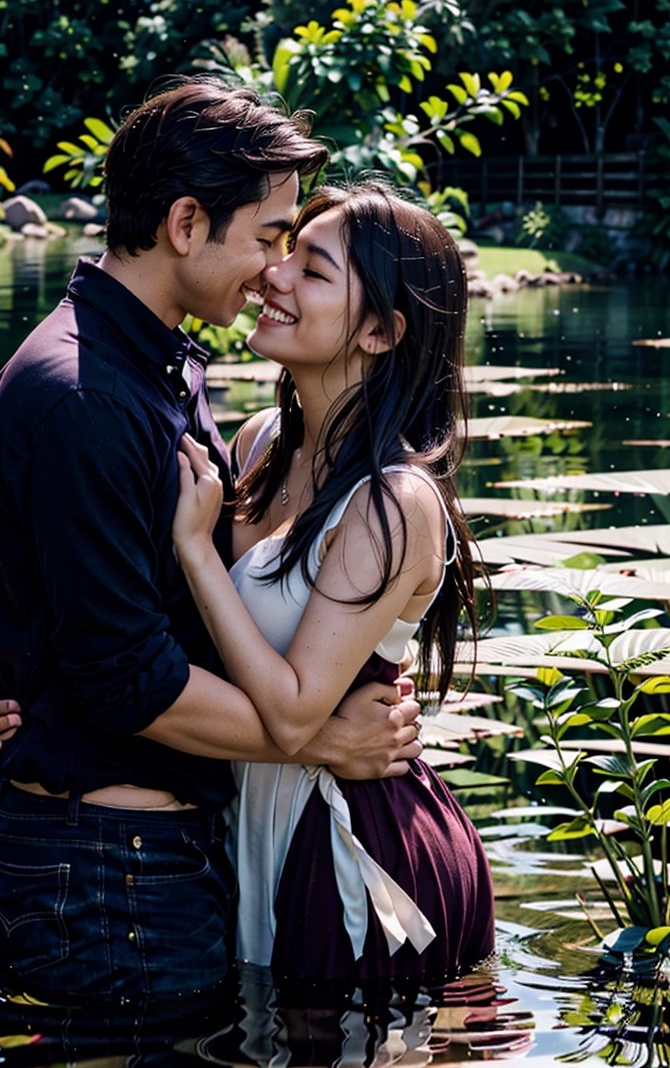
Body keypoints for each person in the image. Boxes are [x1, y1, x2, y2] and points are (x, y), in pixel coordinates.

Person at [0, 79, 425, 1005]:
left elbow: (113, 625)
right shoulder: (87, 395)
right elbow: (126, 677)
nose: (272, 268)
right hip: (100, 877)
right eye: (265, 236)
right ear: (183, 223)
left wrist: (38, 684)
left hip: (134, 862)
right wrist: (320, 739)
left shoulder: (154, 365)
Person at [171, 180, 495, 989]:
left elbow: (291, 709)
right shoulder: (258, 442)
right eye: (285, 254)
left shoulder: (394, 501)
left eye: (311, 271)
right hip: (249, 820)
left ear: (383, 331)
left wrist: (197, 551)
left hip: (354, 849)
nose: (273, 276)